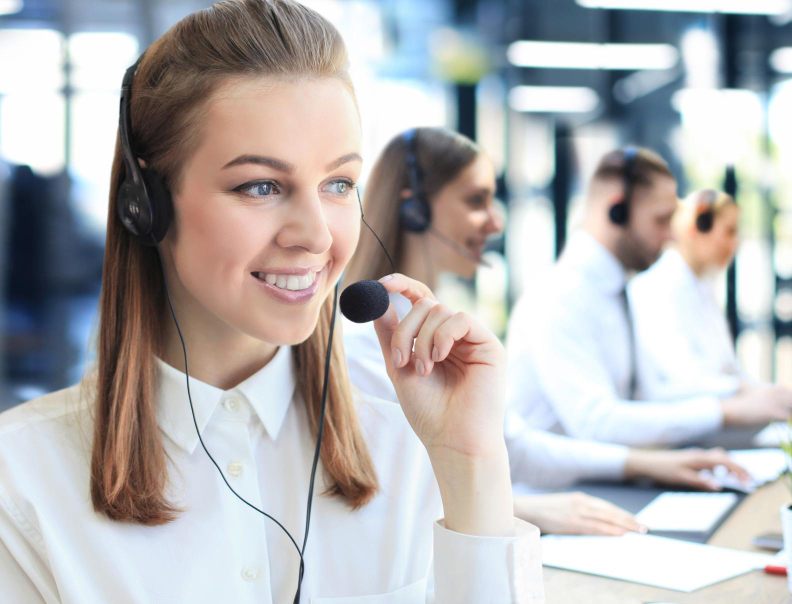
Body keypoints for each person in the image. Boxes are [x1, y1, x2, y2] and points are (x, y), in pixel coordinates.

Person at [0, 2, 542, 602]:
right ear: (146, 204)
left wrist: (471, 463)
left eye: (338, 184)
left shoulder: (411, 439)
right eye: (260, 185)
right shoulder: (23, 480)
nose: (316, 234)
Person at [342, 128, 749, 537]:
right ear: (415, 211)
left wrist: (650, 463)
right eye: (476, 200)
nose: (496, 221)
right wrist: (527, 509)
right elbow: (389, 495)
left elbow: (512, 445)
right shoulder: (368, 337)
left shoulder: (436, 318)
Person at [506, 148, 792, 448]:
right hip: (560, 491)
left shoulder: (618, 291)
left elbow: (649, 395)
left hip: (605, 482)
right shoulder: (560, 297)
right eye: (661, 220)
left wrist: (754, 400)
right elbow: (595, 422)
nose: (672, 236)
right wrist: (723, 410)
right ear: (617, 210)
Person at [629, 189, 792, 403]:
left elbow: (731, 372)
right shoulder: (657, 289)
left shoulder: (701, 286)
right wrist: (779, 394)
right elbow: (689, 381)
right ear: (697, 227)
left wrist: (791, 393)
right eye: (729, 231)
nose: (735, 244)